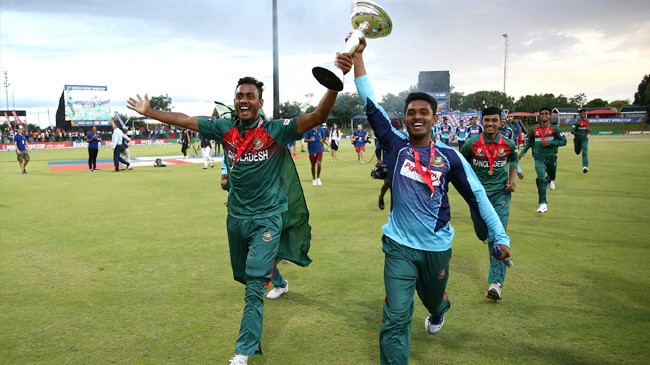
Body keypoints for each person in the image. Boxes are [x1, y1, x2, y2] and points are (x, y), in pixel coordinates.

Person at [127, 52, 352, 365]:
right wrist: (150, 111)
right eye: (239, 95)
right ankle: (281, 281)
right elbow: (185, 120)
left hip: (268, 218)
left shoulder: (276, 130)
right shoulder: (224, 129)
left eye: (250, 96)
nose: (244, 100)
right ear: (235, 101)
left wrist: (334, 84)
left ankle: (243, 352)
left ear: (260, 103)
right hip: (236, 219)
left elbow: (316, 117)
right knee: (245, 274)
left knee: (254, 284)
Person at [352, 35, 510, 365]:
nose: (417, 116)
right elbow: (370, 102)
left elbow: (478, 198)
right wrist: (358, 55)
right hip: (398, 246)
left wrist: (500, 236)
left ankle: (439, 308)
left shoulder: (451, 157)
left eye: (424, 112)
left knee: (434, 300)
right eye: (411, 112)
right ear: (405, 118)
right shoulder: (394, 144)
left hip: (437, 248)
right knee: (395, 317)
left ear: (435, 119)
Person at [460, 106, 519, 301]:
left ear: (501, 121)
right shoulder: (471, 144)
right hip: (478, 198)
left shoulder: (508, 143)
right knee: (482, 233)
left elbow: (514, 159)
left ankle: (496, 284)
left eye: (494, 120)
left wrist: (511, 179)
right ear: (481, 122)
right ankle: (491, 239)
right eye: (487, 120)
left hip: (501, 195)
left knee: (496, 237)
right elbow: (461, 165)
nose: (490, 124)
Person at [519, 107, 567, 213]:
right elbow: (530, 142)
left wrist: (551, 143)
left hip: (551, 157)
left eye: (546, 113)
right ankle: (543, 203)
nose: (544, 115)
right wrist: (522, 153)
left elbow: (564, 141)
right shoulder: (535, 130)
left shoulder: (555, 129)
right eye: (542, 113)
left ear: (550, 116)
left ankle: (549, 180)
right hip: (539, 158)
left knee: (552, 176)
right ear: (539, 116)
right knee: (540, 177)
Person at [571, 109, 590, 173]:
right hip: (577, 140)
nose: (583, 114)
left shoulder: (587, 121)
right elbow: (572, 131)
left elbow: (586, 129)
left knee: (584, 152)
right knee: (577, 152)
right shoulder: (577, 122)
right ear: (579, 114)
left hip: (584, 140)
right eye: (581, 113)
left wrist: (588, 131)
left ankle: (585, 167)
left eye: (584, 112)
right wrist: (580, 134)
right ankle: (575, 145)